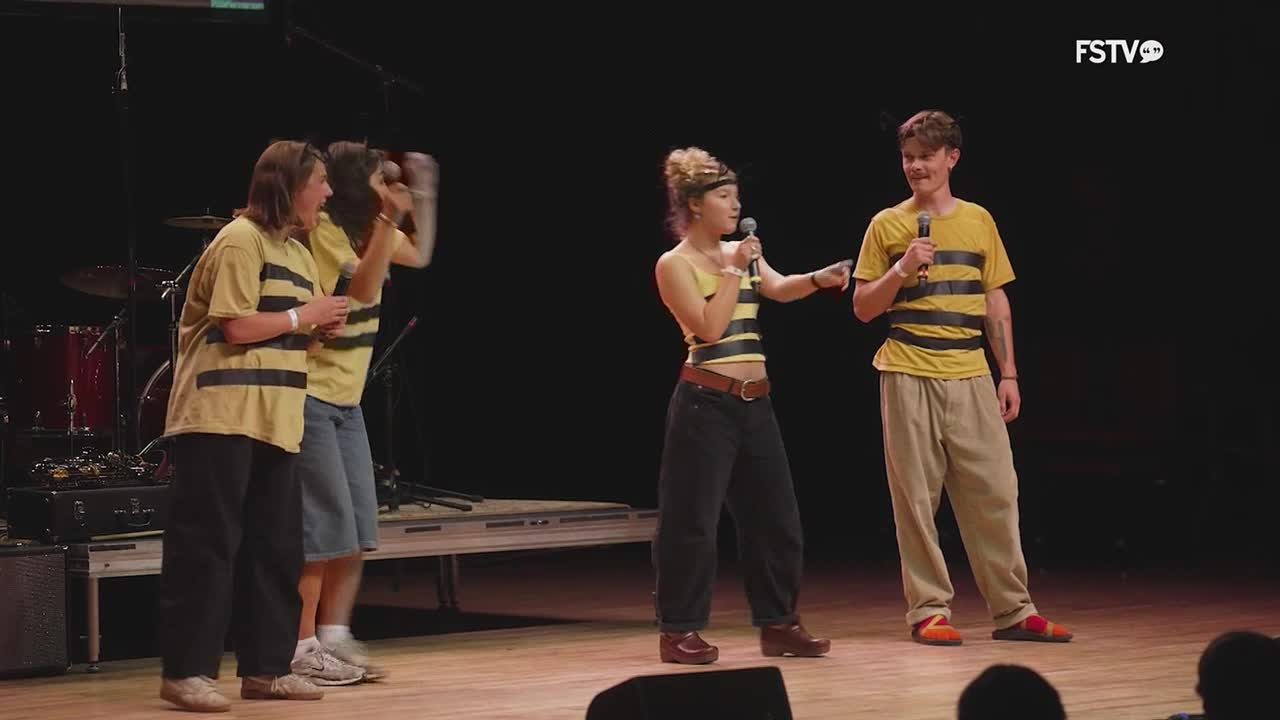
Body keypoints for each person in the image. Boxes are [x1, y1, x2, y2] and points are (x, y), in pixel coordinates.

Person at [851, 109, 1072, 646]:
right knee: (916, 500)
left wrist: (1009, 372)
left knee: (996, 491)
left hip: (970, 373)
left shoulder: (978, 220)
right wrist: (901, 268)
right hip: (907, 371)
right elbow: (862, 307)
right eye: (908, 158)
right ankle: (929, 610)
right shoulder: (887, 224)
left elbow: (994, 297)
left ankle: (1014, 611)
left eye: (926, 156)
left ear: (952, 157)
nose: (916, 167)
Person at [156, 140, 350, 712]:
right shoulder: (239, 240)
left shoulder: (298, 252)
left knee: (276, 548)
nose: (329, 192)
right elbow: (237, 326)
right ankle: (187, 672)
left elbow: (286, 327)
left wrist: (315, 329)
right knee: (207, 547)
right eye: (320, 182)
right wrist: (302, 316)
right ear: (289, 186)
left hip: (276, 418)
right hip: (220, 417)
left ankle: (266, 668)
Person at [650, 146, 848, 664]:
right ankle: (679, 631)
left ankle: (779, 623)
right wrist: (734, 270)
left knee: (776, 519)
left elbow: (777, 289)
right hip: (704, 405)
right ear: (695, 205)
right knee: (692, 522)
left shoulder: (744, 253)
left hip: (756, 405)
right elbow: (709, 328)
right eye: (724, 196)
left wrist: (816, 279)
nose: (735, 206)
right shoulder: (674, 264)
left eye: (736, 195)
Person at [289, 141, 439, 685]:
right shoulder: (327, 231)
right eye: (381, 179)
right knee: (322, 528)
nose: (388, 185)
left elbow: (419, 255)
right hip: (310, 397)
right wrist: (390, 216)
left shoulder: (369, 229)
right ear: (359, 186)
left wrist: (425, 193)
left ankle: (334, 636)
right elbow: (365, 285)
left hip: (346, 404)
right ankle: (302, 644)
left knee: (354, 528)